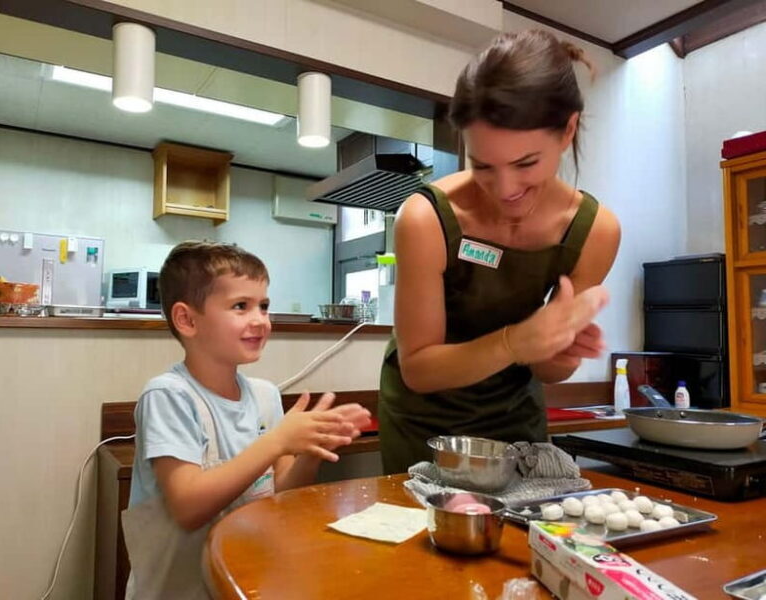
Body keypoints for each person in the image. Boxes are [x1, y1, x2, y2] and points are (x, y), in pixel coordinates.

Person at [379, 30, 621, 475]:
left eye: (526, 163)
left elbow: (547, 370)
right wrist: (518, 342)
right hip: (423, 420)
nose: (505, 189)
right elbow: (419, 368)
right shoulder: (426, 219)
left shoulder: (595, 231)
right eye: (483, 166)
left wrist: (559, 352)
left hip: (514, 416)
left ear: (568, 129)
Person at [122, 241, 371, 599]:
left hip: (243, 581)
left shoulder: (265, 395)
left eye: (264, 306)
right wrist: (278, 441)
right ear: (187, 319)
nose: (260, 320)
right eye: (241, 306)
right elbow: (188, 507)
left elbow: (282, 494)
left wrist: (312, 448)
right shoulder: (167, 396)